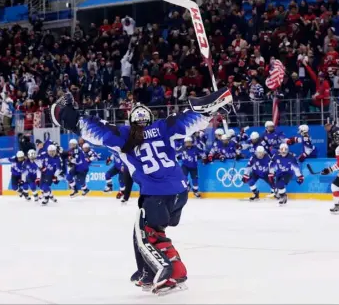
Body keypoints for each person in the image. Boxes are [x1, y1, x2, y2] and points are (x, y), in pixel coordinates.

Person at [49, 87, 232, 294]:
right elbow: (190, 119)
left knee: (145, 235)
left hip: (156, 193)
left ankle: (166, 272)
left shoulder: (125, 135)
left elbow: (93, 129)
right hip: (180, 192)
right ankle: (150, 272)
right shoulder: (163, 127)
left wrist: (69, 116)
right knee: (151, 232)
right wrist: (213, 108)